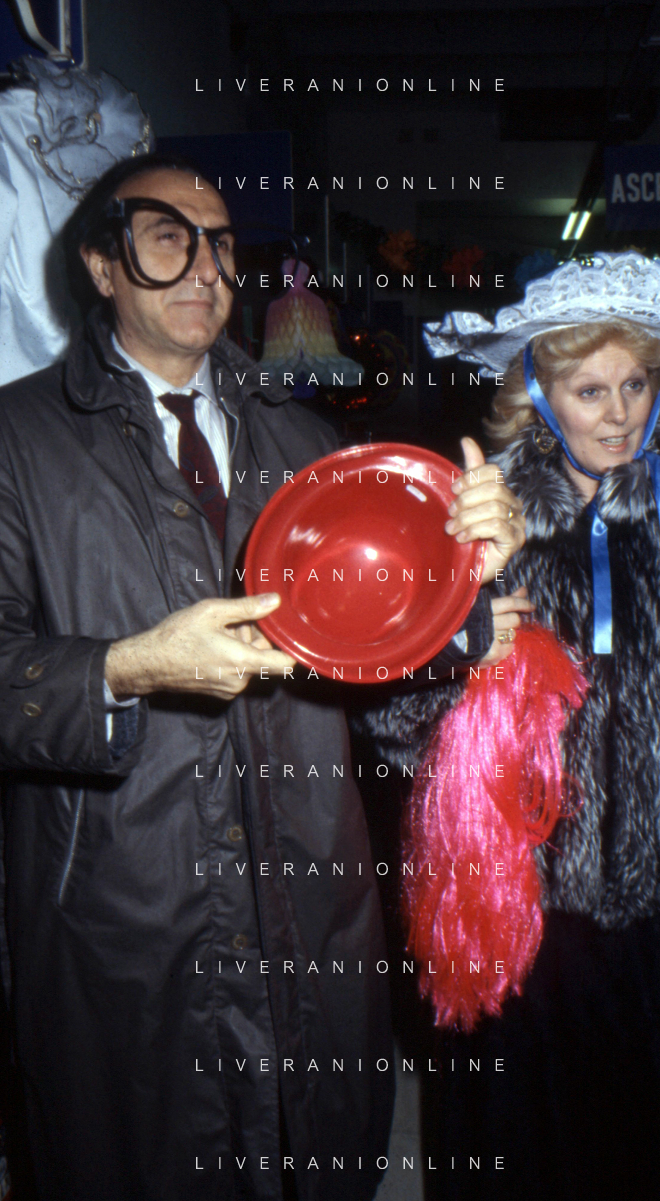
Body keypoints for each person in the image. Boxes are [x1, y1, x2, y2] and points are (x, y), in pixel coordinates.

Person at [0, 153, 524, 1201]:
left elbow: (368, 673)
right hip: (123, 908)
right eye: (168, 239)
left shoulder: (306, 440)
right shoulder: (19, 442)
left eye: (222, 243)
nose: (206, 267)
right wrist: (130, 667)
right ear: (101, 265)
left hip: (309, 890)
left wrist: (465, 601)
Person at [364, 253, 660, 1200]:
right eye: (591, 390)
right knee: (544, 1154)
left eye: (636, 384)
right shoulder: (477, 516)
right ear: (539, 394)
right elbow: (393, 725)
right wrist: (463, 632)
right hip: (536, 914)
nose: (620, 414)